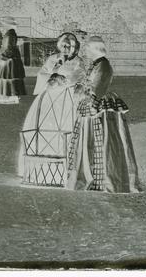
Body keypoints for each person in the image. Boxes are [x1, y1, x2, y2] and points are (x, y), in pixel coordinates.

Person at [66, 36, 141, 193]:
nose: (85, 51)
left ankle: (107, 180)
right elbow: (88, 83)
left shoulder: (104, 65)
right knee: (92, 141)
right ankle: (91, 175)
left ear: (95, 49)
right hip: (92, 103)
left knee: (104, 140)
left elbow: (98, 87)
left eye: (88, 48)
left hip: (100, 107)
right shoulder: (96, 64)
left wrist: (91, 101)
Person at [17, 32, 86, 183]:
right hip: (49, 98)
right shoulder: (53, 59)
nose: (66, 48)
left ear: (75, 47)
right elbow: (42, 74)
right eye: (63, 45)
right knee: (41, 127)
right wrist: (52, 75)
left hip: (66, 99)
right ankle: (37, 169)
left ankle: (62, 170)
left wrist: (65, 80)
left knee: (63, 129)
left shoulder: (78, 62)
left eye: (69, 46)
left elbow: (79, 77)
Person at [0, 28, 27, 98]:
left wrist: (4, 56)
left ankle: (11, 93)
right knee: (12, 76)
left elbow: (9, 47)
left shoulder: (9, 35)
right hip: (13, 58)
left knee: (10, 76)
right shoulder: (10, 34)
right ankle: (13, 93)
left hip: (10, 60)